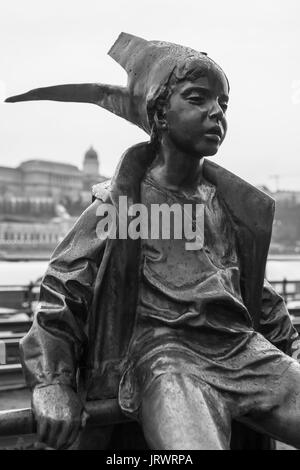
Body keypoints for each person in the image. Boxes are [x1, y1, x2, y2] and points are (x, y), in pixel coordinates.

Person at [5, 33, 300, 450]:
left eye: (223, 104)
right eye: (198, 98)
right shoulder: (123, 205)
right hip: (168, 363)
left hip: (244, 351)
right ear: (160, 114)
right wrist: (52, 382)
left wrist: (291, 351)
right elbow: (63, 293)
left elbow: (253, 292)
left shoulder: (228, 209)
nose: (216, 112)